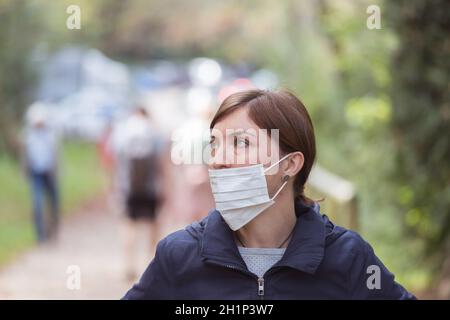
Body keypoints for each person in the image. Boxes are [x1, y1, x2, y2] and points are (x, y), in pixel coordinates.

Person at [123, 89, 416, 299]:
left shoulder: (347, 257)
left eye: (240, 143)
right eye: (214, 144)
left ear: (290, 164)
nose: (219, 158)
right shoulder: (179, 255)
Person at [113, 107, 165, 281]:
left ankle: (129, 264)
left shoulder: (122, 132)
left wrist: (113, 187)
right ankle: (151, 265)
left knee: (129, 224)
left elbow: (113, 161)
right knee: (153, 225)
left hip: (128, 188)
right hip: (151, 188)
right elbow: (162, 162)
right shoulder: (154, 133)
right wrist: (165, 186)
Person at [23, 104, 60, 243]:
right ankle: (40, 235)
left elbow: (56, 157)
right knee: (37, 204)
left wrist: (56, 173)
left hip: (49, 174)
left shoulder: (51, 136)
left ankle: (53, 230)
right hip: (36, 174)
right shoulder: (28, 136)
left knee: (53, 204)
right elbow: (25, 158)